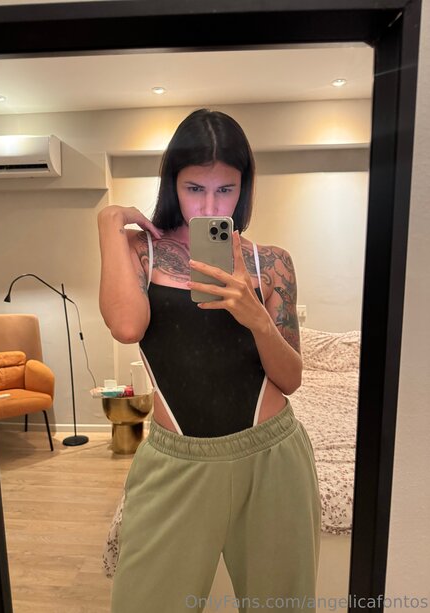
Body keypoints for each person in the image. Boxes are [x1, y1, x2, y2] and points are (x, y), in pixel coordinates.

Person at [97, 109, 321, 613]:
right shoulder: (140, 252)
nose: (210, 205)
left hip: (273, 459)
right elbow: (127, 327)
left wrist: (256, 317)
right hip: (175, 462)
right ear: (172, 184)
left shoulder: (271, 263)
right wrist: (108, 223)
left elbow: (290, 378)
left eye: (226, 189)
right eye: (195, 188)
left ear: (244, 188)